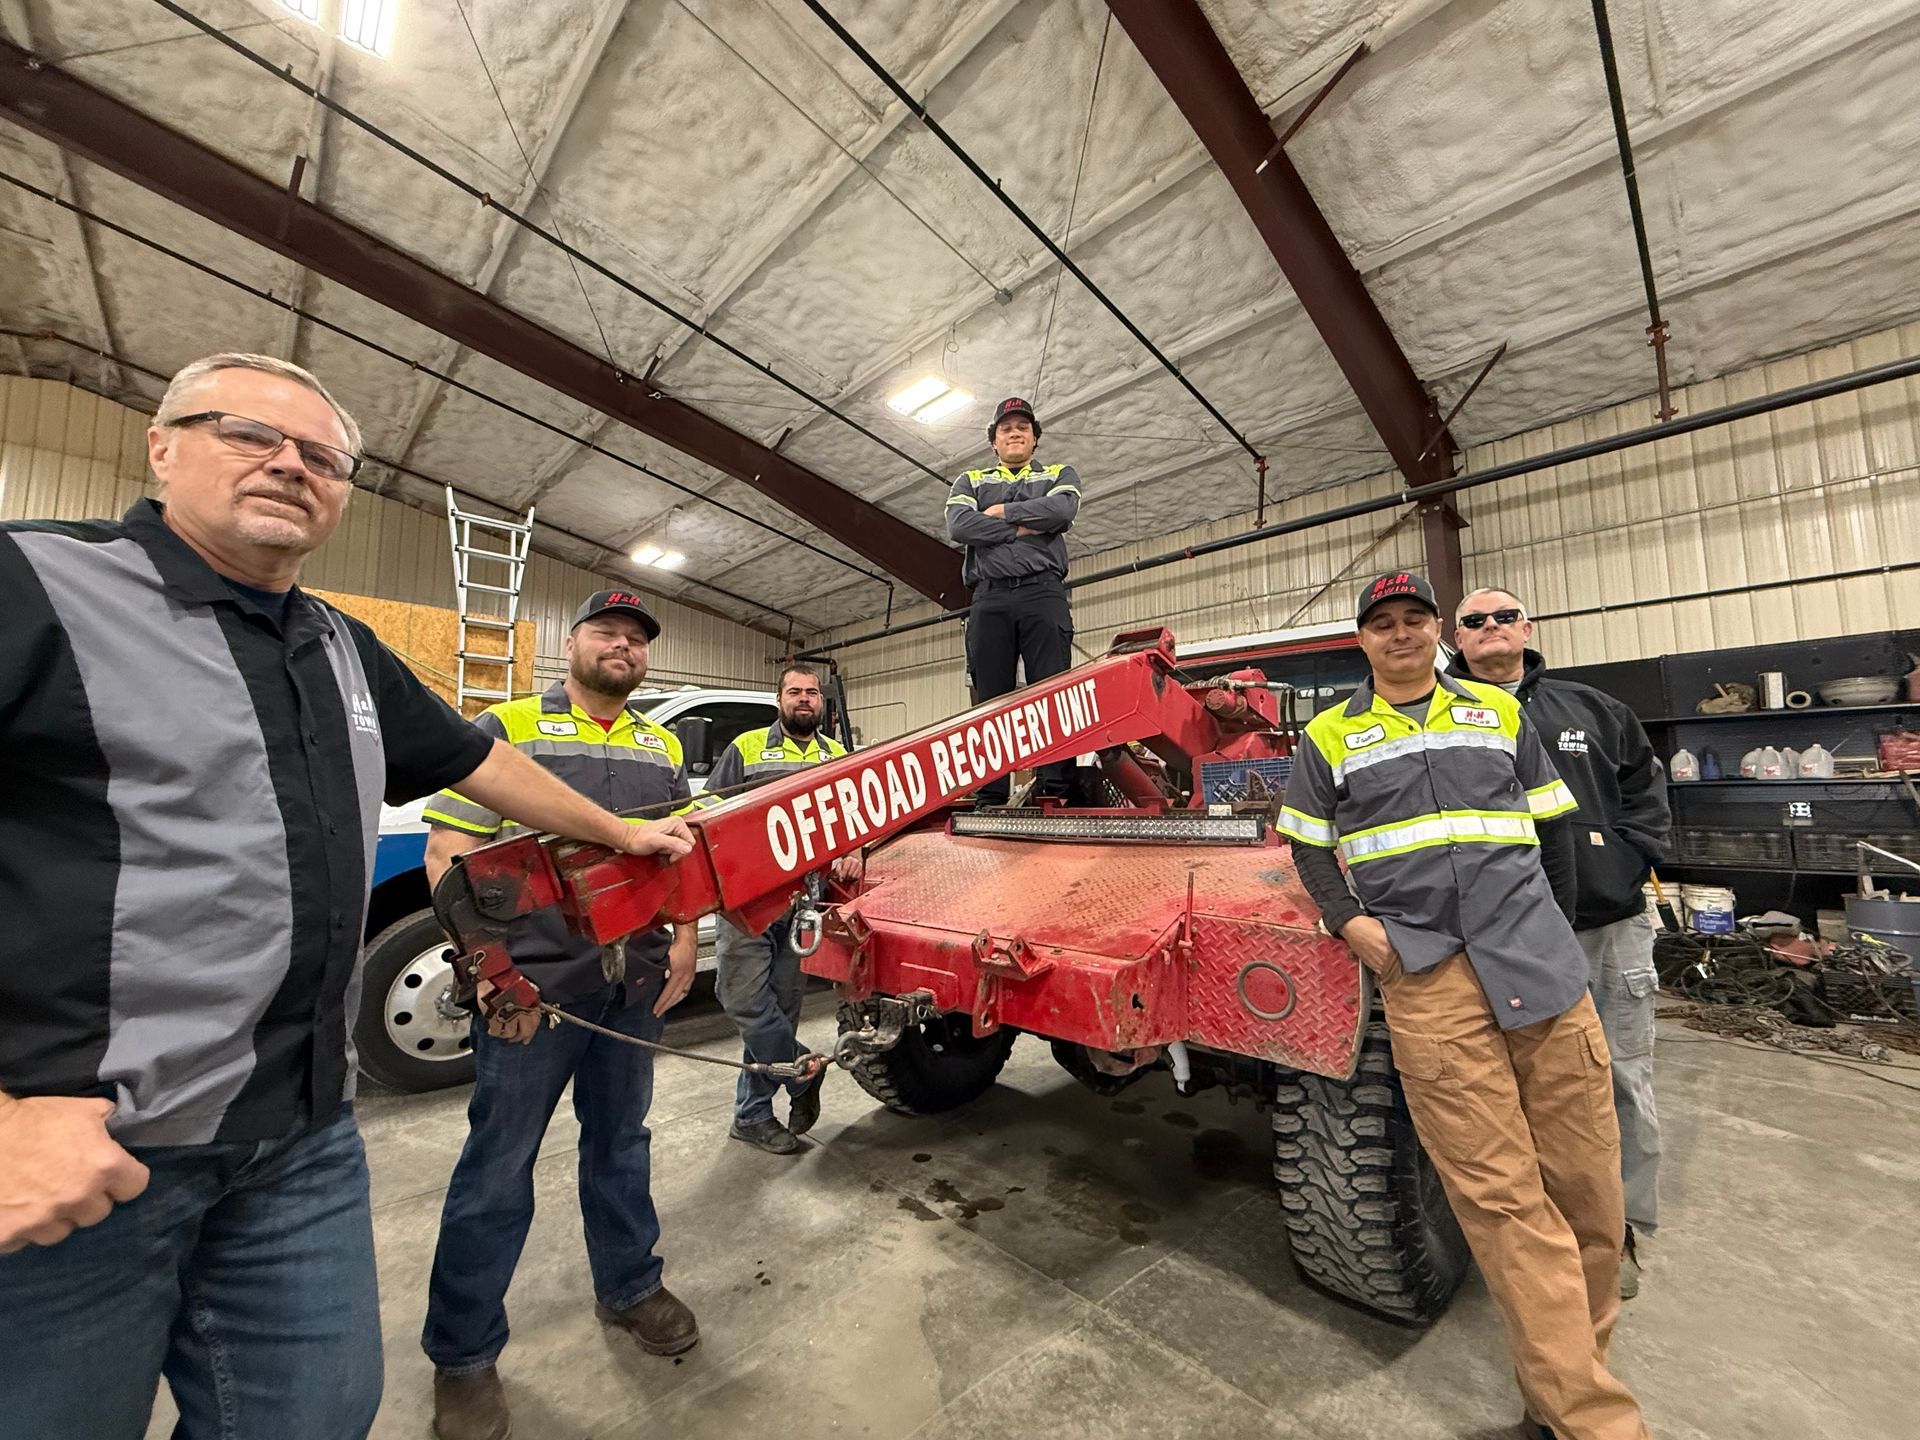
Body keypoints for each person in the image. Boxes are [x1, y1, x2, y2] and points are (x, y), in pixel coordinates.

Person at [0, 354, 692, 1440]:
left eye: (321, 457)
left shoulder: (341, 645)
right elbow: (468, 831)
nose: (289, 465)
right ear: (163, 444)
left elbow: (473, 761)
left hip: (303, 1132)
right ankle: (468, 1353)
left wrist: (623, 834)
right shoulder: (35, 586)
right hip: (98, 1140)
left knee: (318, 1414)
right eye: (249, 435)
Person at [1280, 571, 1651, 1440]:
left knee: (1590, 1193)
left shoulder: (1499, 714)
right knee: (1502, 1199)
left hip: (1542, 972)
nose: (1401, 634)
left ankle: (1561, 1390)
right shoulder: (1330, 735)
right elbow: (1307, 845)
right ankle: (1591, 1420)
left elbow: (1554, 826)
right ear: (1362, 639)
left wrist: (1555, 928)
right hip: (1432, 979)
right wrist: (1349, 924)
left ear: (1434, 631)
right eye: (1383, 623)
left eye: (1415, 619)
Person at [419, 589, 704, 1440]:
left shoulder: (660, 744)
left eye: (637, 639)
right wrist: (488, 969)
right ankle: (464, 1357)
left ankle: (630, 1288)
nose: (623, 646)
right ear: (570, 643)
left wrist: (685, 942)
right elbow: (450, 852)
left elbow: (683, 854)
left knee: (622, 1142)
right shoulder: (507, 725)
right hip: (536, 989)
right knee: (497, 1168)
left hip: (634, 982)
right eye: (607, 632)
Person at [1448, 587, 1670, 1299]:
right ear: (1458, 637)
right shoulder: (1435, 718)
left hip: (1603, 925)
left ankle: (1619, 1229)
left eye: (1503, 616)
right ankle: (1534, 1224)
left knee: (1617, 1078)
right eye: (1474, 621)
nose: (1491, 628)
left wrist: (1630, 855)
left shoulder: (1591, 709)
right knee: (1506, 1088)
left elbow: (1645, 784)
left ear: (1527, 628)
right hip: (1497, 931)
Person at [699, 663, 847, 1154]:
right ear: (778, 699)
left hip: (805, 902)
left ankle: (753, 1116)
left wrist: (850, 851)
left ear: (821, 702)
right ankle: (802, 1073)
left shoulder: (837, 756)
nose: (804, 699)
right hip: (748, 902)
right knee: (741, 999)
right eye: (794, 691)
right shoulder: (745, 749)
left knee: (782, 1010)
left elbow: (852, 822)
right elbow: (710, 815)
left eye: (811, 692)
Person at [944, 395, 1080, 802]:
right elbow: (960, 526)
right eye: (1006, 428)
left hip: (1044, 592)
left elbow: (1062, 512)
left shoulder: (1060, 472)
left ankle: (1055, 791)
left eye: (1023, 427)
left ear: (1035, 439)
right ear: (994, 442)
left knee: (1053, 694)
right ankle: (990, 796)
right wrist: (1024, 527)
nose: (1015, 432)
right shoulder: (969, 480)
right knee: (991, 700)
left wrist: (1001, 512)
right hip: (990, 598)